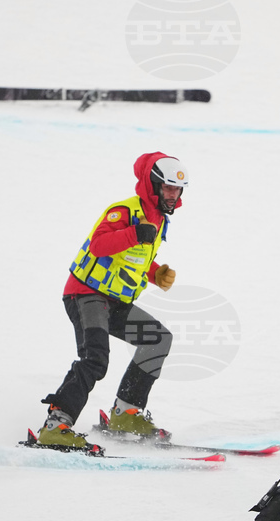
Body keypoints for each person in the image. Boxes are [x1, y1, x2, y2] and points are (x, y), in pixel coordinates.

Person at [36, 152, 188, 453]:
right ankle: (56, 425)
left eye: (178, 190)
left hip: (114, 300)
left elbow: (131, 260)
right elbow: (100, 245)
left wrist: (154, 273)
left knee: (157, 338)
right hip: (86, 294)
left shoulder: (158, 220)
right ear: (153, 185)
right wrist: (134, 233)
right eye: (168, 188)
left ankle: (126, 413)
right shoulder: (125, 211)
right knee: (95, 358)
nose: (173, 195)